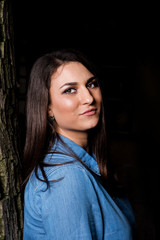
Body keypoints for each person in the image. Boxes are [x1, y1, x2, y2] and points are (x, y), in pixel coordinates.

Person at [22, 48, 137, 239]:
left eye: (91, 84)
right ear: (47, 107)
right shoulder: (65, 177)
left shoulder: (87, 164)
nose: (89, 98)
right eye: (70, 90)